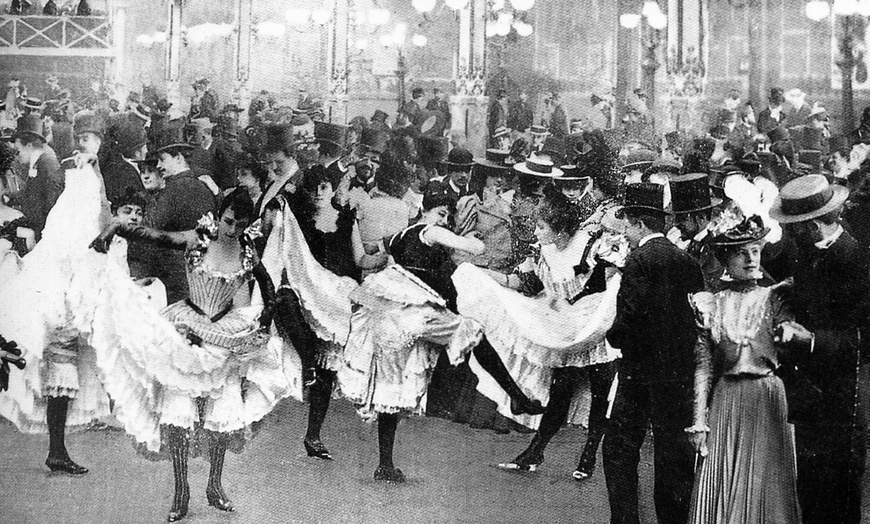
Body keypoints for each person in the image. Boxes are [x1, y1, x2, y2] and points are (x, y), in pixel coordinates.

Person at [91, 188, 299, 522]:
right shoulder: (198, 238)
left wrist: (265, 317)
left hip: (224, 332)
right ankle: (181, 490)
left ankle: (215, 485)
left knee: (222, 414)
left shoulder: (247, 249)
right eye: (228, 221)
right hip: (186, 324)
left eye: (240, 224)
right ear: (218, 216)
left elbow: (266, 283)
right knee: (179, 414)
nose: (232, 230)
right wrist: (116, 227)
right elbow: (154, 235)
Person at [336, 184, 486, 482]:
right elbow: (475, 249)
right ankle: (517, 396)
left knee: (390, 387)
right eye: (443, 213)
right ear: (430, 210)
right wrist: (469, 234)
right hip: (412, 314)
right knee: (473, 332)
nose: (444, 220)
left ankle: (385, 464)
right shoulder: (430, 229)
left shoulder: (397, 238)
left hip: (391, 317)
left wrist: (353, 225)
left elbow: (363, 261)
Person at [686, 208, 801, 524]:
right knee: (723, 480)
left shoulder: (775, 297)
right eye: (741, 253)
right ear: (725, 258)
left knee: (769, 486)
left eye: (755, 251)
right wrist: (699, 421)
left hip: (769, 397)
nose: (751, 260)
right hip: (728, 400)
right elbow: (703, 366)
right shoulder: (709, 303)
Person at [768, 174, 870, 524]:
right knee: (810, 493)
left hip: (845, 400)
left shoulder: (856, 260)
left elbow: (861, 339)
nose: (790, 235)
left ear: (812, 227)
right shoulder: (807, 253)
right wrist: (790, 291)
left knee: (839, 498)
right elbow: (814, 296)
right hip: (810, 397)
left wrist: (809, 340)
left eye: (794, 228)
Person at [603, 182, 704, 524]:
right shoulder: (687, 260)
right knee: (672, 453)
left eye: (627, 226)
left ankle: (625, 520)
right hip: (676, 373)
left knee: (618, 448)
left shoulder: (638, 260)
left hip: (638, 372)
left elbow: (628, 318)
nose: (626, 234)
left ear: (639, 224)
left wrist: (613, 337)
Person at [293, 165, 388, 460]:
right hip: (311, 290)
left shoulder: (346, 219)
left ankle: (313, 435)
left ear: (332, 188)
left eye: (324, 186)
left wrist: (383, 258)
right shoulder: (300, 222)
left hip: (338, 296)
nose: (319, 193)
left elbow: (359, 258)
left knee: (328, 367)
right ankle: (304, 369)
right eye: (313, 188)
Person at [131, 124, 214, 304]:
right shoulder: (201, 184)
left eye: (162, 159)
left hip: (175, 275)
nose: (159, 165)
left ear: (178, 158)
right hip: (203, 272)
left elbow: (148, 227)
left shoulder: (175, 188)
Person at [669, 173, 724, 290]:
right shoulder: (684, 245)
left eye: (682, 218)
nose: (675, 224)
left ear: (701, 218)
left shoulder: (717, 249)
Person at [12, 113, 61, 240]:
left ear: (29, 146)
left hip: (46, 233)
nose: (17, 156)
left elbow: (51, 206)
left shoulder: (47, 164)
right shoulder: (37, 162)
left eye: (18, 151)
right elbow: (33, 194)